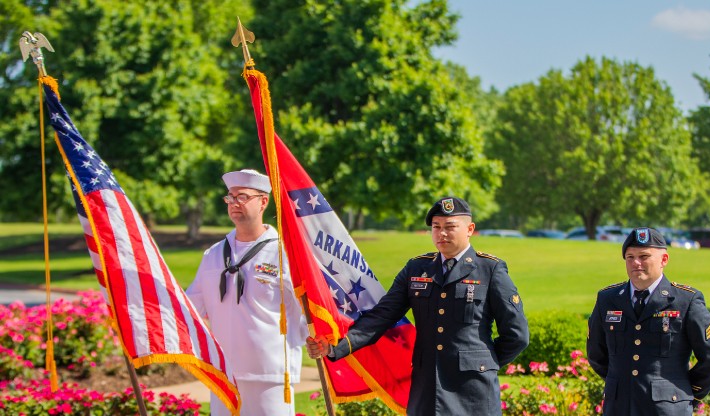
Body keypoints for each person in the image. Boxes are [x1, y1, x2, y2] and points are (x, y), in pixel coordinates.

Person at [306, 196, 529, 415]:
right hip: (427, 389)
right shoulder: (417, 269)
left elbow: (517, 335)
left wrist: (481, 362)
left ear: (470, 229)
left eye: (450, 227)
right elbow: (382, 316)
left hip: (473, 391)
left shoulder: (490, 269)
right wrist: (336, 347)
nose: (441, 233)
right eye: (436, 226)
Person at [186, 169, 307, 416]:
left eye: (242, 197)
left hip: (270, 374)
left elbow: (309, 310)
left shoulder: (285, 253)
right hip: (225, 372)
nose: (234, 204)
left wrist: (315, 339)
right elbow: (190, 309)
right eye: (230, 197)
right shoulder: (213, 255)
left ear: (263, 201)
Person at [587, 227, 710, 415]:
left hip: (667, 410)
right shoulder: (608, 299)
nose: (636, 263)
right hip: (619, 408)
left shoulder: (685, 301)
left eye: (644, 256)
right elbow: (597, 354)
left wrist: (681, 393)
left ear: (664, 260)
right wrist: (622, 384)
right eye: (630, 257)